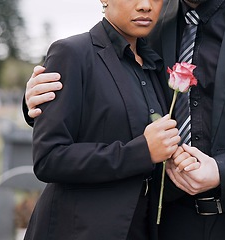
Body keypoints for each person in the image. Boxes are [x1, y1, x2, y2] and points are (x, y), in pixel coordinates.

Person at [24, 0, 225, 239]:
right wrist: (37, 103)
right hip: (166, 221)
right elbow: (102, 77)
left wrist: (223, 170)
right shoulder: (149, 18)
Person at [23, 0, 181, 239]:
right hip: (78, 229)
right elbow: (49, 159)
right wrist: (141, 152)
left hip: (140, 226)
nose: (145, 6)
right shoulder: (72, 53)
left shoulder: (153, 63)